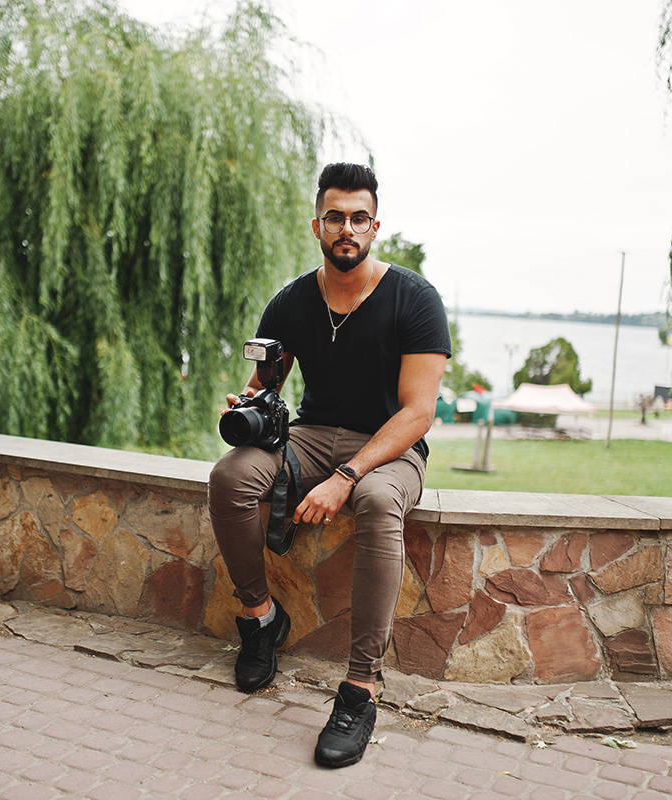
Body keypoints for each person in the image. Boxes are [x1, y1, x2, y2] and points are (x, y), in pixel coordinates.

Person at [208, 162, 451, 768]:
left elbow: (418, 413)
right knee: (230, 476)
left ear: (375, 227)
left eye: (359, 218)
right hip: (313, 435)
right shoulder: (291, 302)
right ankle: (261, 617)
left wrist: (347, 477)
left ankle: (361, 688)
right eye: (335, 217)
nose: (347, 228)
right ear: (317, 225)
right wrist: (247, 405)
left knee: (377, 500)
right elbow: (265, 383)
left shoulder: (415, 299)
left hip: (391, 444)